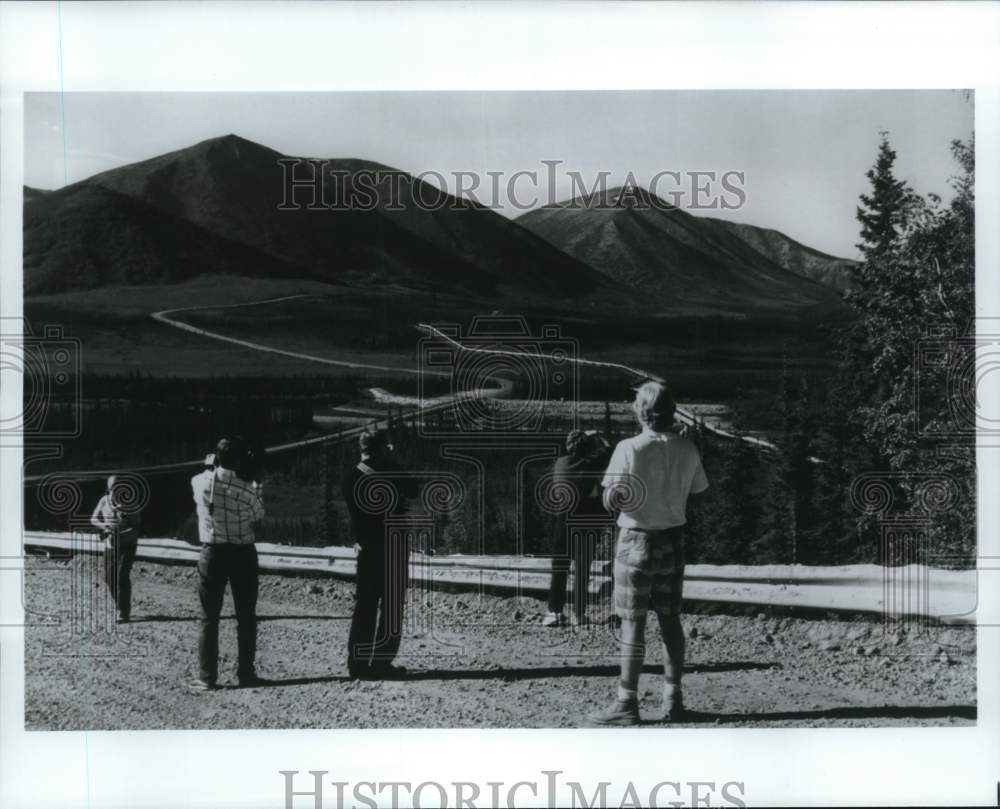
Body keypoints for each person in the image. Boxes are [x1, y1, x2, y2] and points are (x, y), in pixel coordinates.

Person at [588, 381, 708, 726]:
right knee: (671, 620)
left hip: (636, 539)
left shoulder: (629, 448)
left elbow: (610, 498)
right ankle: (674, 698)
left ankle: (627, 701)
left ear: (641, 412)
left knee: (633, 621)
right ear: (672, 411)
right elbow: (699, 491)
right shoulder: (688, 448)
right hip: (674, 538)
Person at [189, 437, 266, 691]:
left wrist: (210, 467)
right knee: (246, 616)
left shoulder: (200, 482)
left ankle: (207, 676)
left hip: (212, 552)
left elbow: (197, 480)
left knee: (209, 617)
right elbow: (258, 515)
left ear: (216, 457)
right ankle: (246, 673)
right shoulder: (247, 488)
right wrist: (258, 490)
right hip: (243, 552)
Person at [342, 429, 417, 679]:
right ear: (382, 448)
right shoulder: (391, 472)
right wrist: (392, 461)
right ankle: (382, 662)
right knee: (392, 606)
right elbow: (414, 489)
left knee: (364, 606)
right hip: (394, 546)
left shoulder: (350, 478)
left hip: (366, 549)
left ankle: (357, 663)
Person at [542, 429, 611, 628]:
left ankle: (553, 612)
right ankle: (578, 614)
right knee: (582, 569)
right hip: (587, 519)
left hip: (562, 520)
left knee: (559, 568)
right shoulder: (590, 464)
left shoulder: (560, 463)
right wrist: (597, 435)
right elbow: (608, 450)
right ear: (588, 448)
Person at [90, 475, 142, 623]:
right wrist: (105, 528)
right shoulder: (104, 501)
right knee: (108, 577)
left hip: (127, 545)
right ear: (109, 489)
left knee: (121, 576)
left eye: (119, 487)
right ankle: (120, 605)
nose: (115, 492)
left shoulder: (131, 503)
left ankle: (123, 611)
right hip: (110, 545)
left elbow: (136, 527)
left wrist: (121, 532)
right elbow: (93, 519)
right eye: (112, 488)